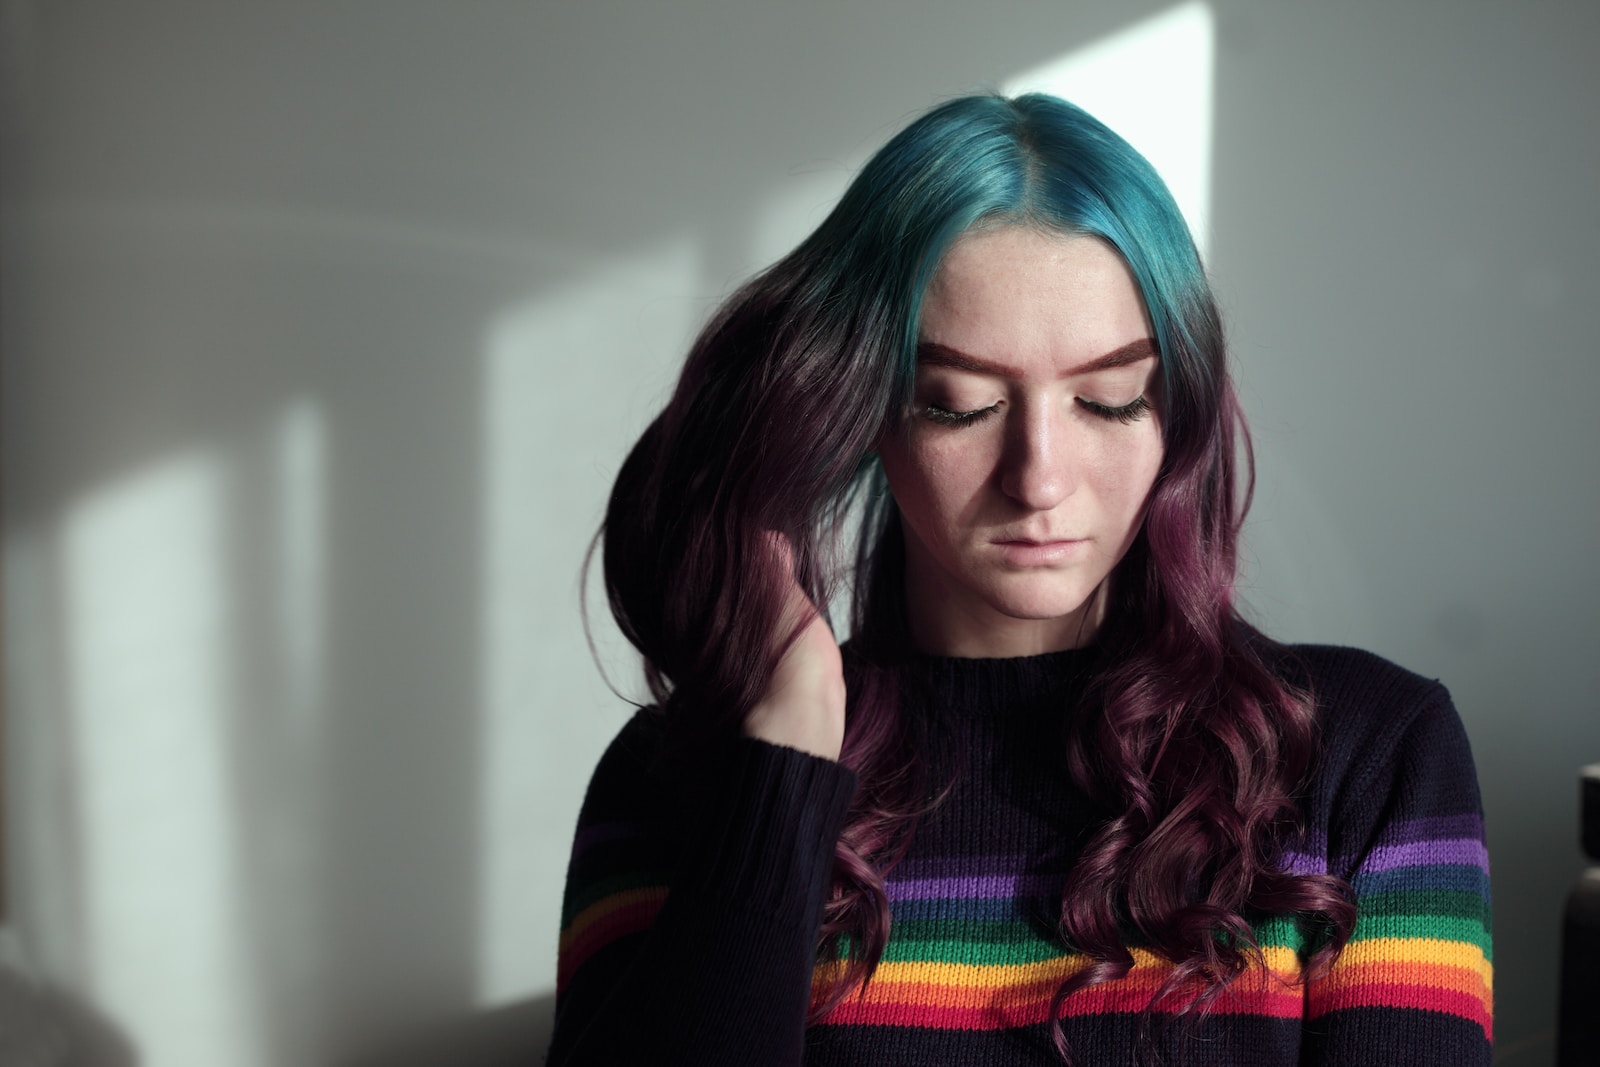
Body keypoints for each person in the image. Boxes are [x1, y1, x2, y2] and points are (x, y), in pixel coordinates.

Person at [548, 93, 1492, 1065]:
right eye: (959, 405)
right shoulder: (682, 776)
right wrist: (785, 750)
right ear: (865, 407)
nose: (1038, 476)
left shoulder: (1365, 755)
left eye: (1107, 399)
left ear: (1178, 413)